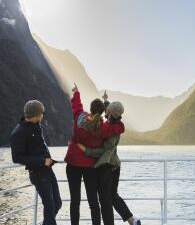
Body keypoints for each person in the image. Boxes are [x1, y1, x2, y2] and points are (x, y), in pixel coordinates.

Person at [64, 83, 125, 225]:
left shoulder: (80, 117)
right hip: (89, 166)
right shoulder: (103, 127)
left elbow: (76, 107)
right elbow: (118, 128)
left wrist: (76, 93)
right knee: (93, 201)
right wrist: (119, 122)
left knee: (75, 201)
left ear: (90, 109)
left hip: (73, 163)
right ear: (103, 111)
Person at [78, 98, 142, 225]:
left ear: (111, 113)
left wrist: (87, 151)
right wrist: (105, 103)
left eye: (108, 110)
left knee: (105, 200)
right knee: (112, 196)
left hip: (107, 166)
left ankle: (129, 220)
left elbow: (104, 150)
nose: (106, 111)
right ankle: (132, 220)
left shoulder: (111, 129)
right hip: (115, 165)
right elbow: (109, 115)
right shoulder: (115, 125)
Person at [10, 100, 61, 225]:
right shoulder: (18, 133)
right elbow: (16, 158)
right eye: (41, 113)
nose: (43, 115)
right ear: (36, 114)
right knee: (49, 207)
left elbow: (39, 146)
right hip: (38, 173)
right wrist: (42, 161)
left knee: (57, 204)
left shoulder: (36, 124)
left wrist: (47, 160)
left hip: (48, 170)